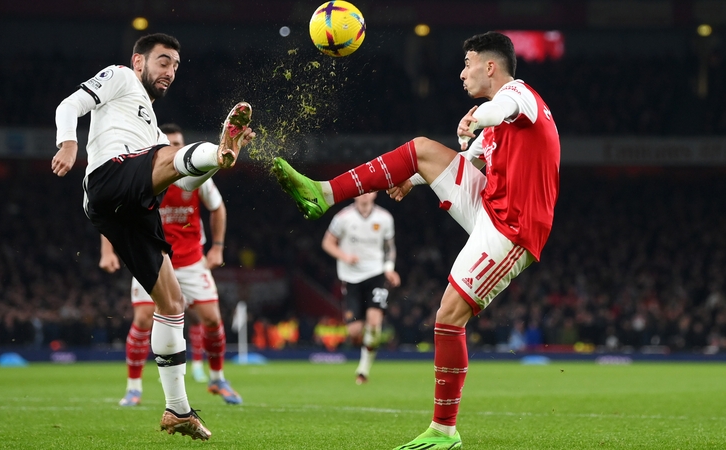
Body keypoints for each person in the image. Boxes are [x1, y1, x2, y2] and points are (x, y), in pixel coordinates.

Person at [272, 31, 560, 449]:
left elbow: (503, 107)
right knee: (422, 149)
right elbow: (464, 161)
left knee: (447, 317)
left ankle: (444, 431)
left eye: (468, 64)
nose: (462, 74)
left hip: (512, 228)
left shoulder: (520, 96)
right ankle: (325, 193)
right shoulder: (498, 127)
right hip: (488, 203)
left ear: (490, 66)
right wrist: (411, 176)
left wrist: (476, 116)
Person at [51, 32, 255, 441]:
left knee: (172, 300)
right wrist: (69, 142)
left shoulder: (154, 132)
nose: (170, 72)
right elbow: (69, 104)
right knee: (167, 157)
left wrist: (219, 161)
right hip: (109, 177)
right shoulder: (122, 77)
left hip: (132, 207)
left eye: (176, 66)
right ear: (140, 61)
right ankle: (219, 145)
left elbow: (187, 179)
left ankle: (177, 410)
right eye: (163, 61)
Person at [99, 123, 242, 408]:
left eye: (180, 143)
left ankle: (217, 379)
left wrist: (216, 248)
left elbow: (218, 208)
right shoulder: (144, 174)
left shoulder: (197, 174)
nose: (176, 148)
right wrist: (107, 251)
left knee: (212, 319)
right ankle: (133, 388)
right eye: (170, 143)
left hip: (190, 259)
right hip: (151, 256)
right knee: (142, 320)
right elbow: (112, 209)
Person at [321, 192, 400, 384]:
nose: (365, 195)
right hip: (351, 277)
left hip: (376, 274)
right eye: (361, 191)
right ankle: (368, 333)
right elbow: (327, 243)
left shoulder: (385, 218)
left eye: (369, 190)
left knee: (374, 323)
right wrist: (344, 256)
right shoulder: (342, 218)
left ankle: (363, 370)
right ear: (355, 194)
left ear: (375, 194)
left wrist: (389, 269)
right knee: (354, 331)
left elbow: (389, 247)